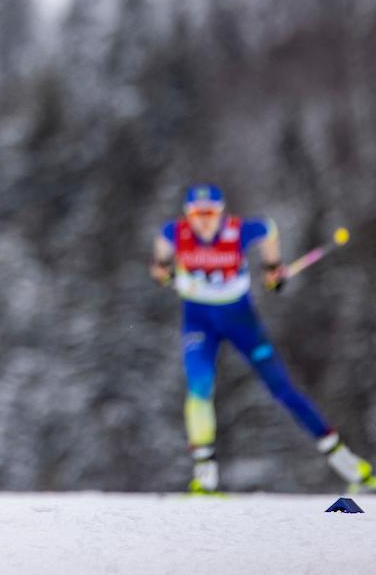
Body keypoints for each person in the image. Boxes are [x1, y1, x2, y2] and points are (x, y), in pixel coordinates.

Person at [151, 183, 376, 493]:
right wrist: (162, 269)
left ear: (221, 212)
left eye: (210, 214)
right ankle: (205, 479)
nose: (203, 221)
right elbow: (161, 251)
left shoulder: (238, 231)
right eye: (197, 214)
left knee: (281, 388)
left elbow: (268, 229)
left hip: (241, 320)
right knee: (199, 385)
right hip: (199, 321)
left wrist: (272, 267)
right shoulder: (175, 234)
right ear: (188, 215)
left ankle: (349, 464)